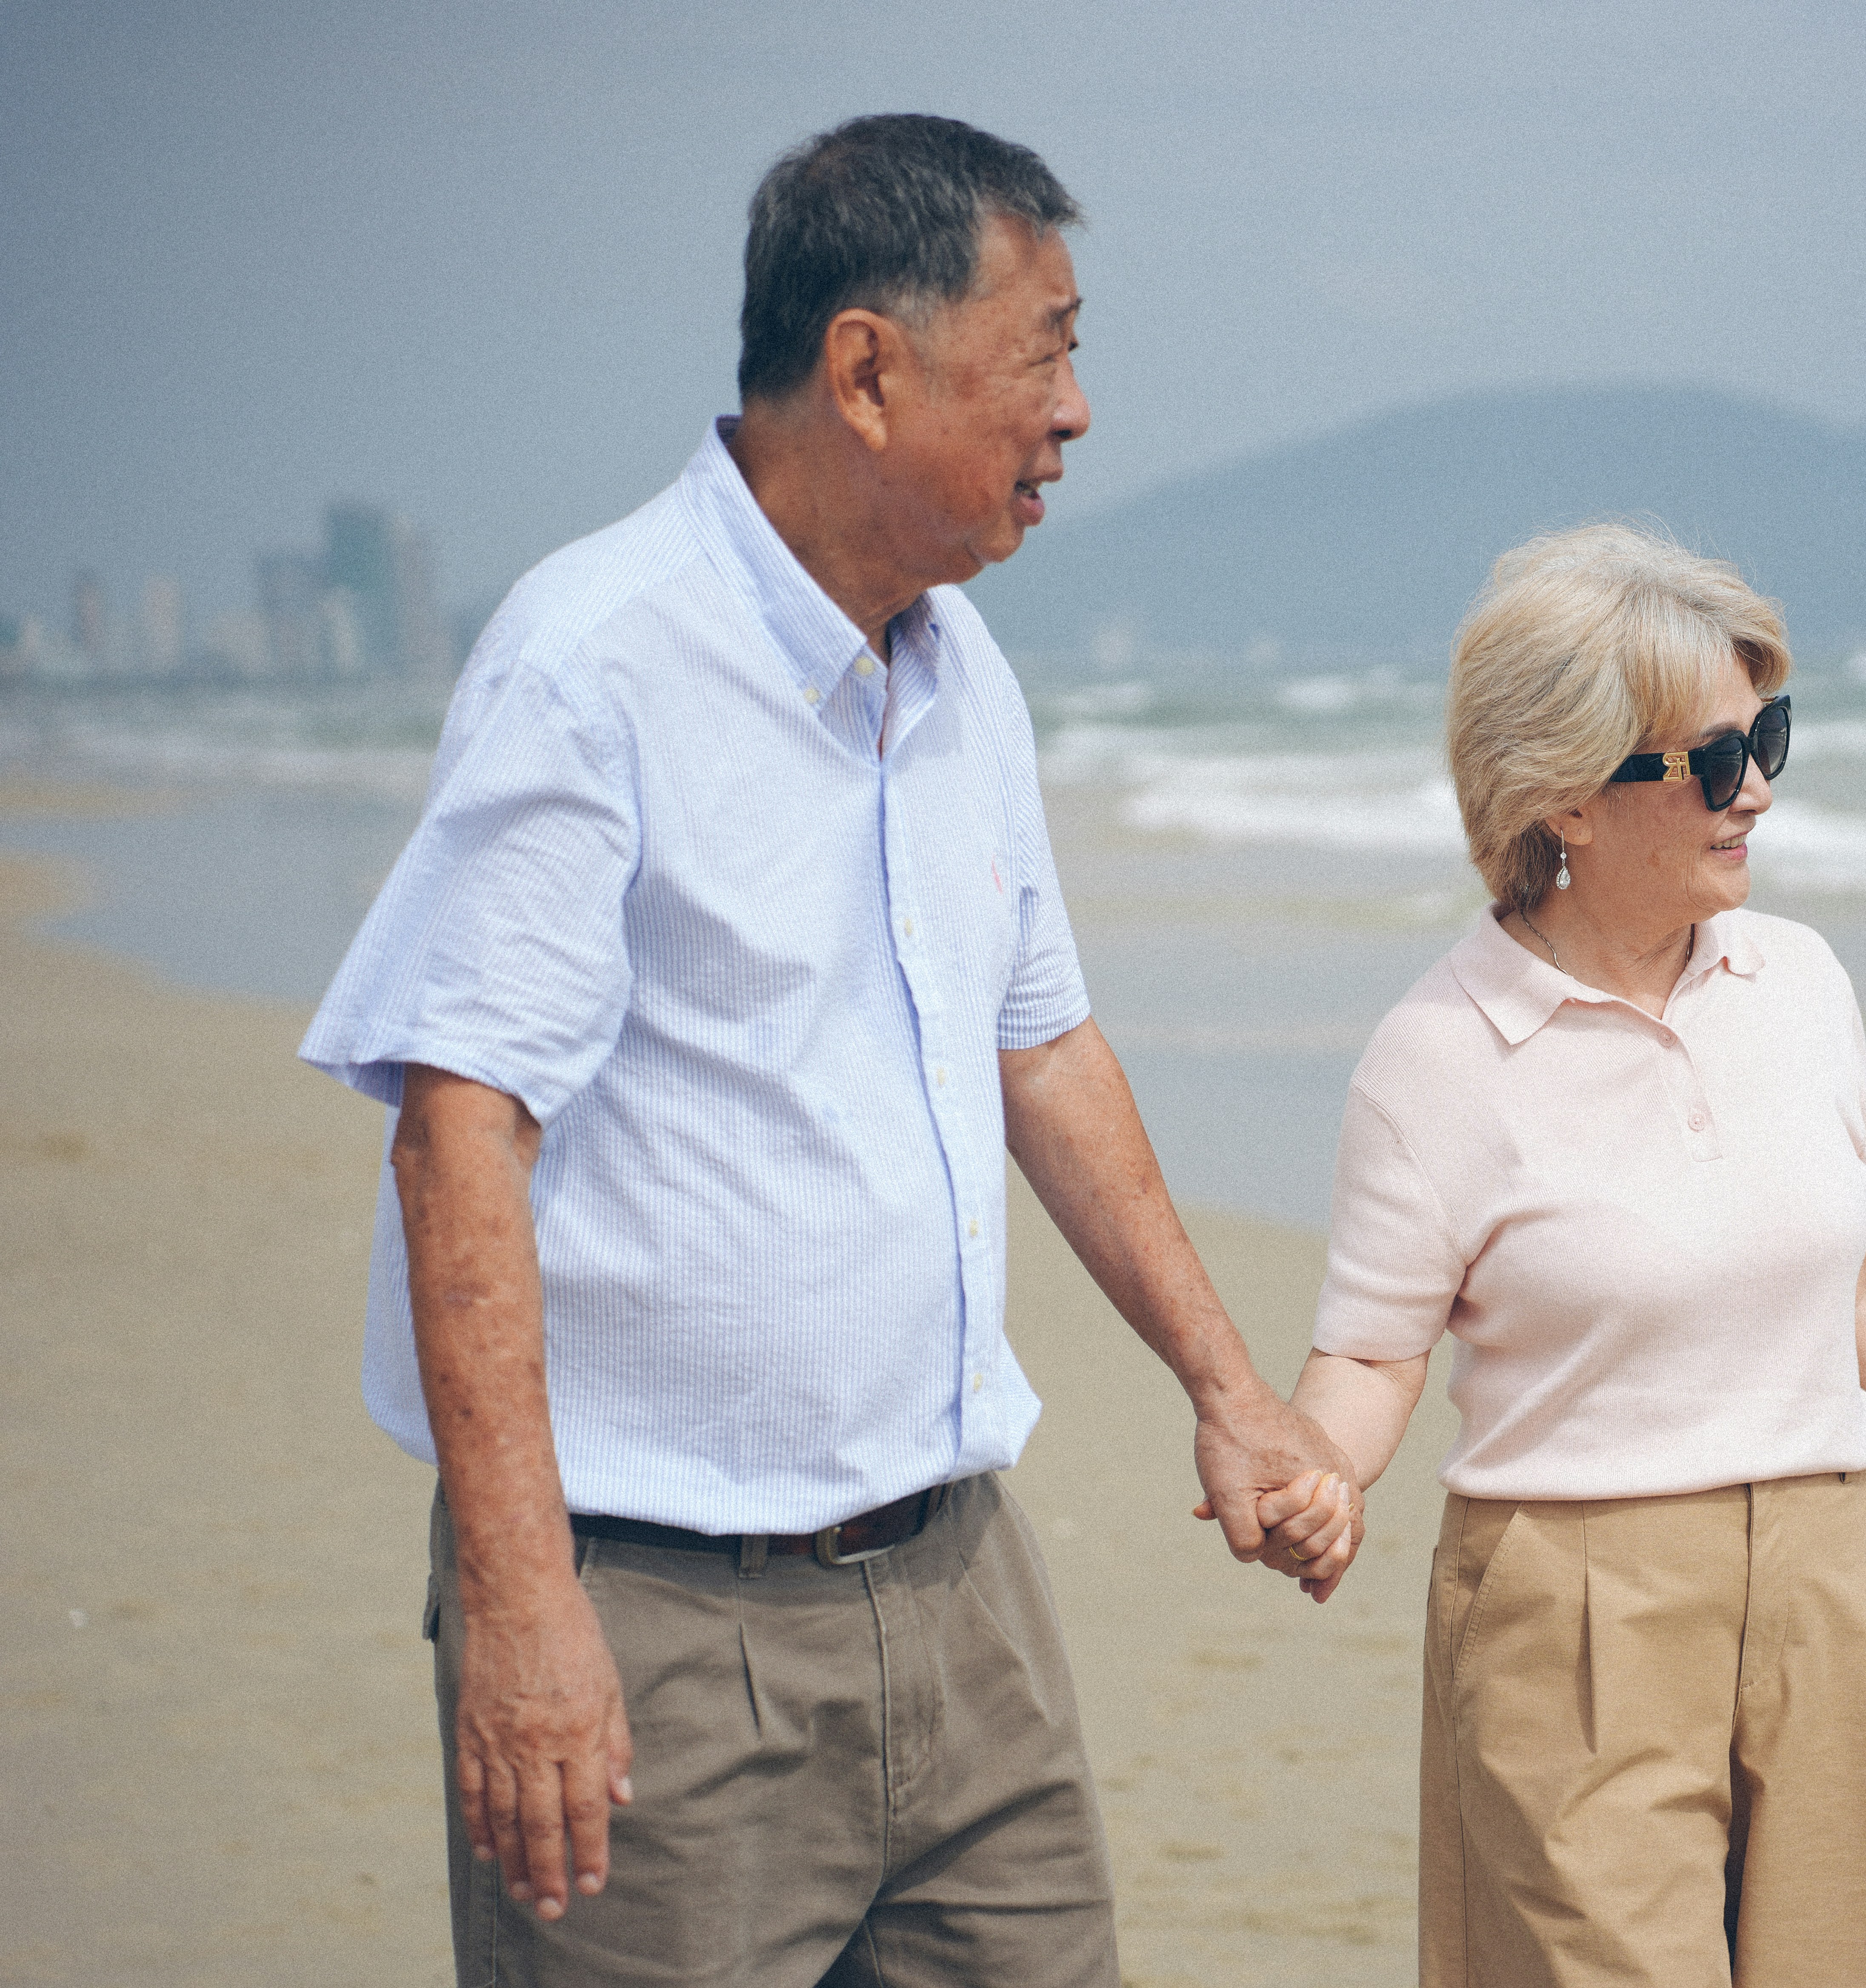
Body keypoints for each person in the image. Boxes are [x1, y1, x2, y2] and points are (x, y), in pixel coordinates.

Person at [297, 114, 1359, 1985]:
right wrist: (525, 1612)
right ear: (867, 367)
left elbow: (1044, 1050)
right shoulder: (595, 664)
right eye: (1046, 346)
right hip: (657, 1633)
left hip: (962, 1599)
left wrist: (1232, 1387)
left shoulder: (963, 673)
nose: (1081, 409)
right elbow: (460, 1134)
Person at [1247, 524, 1866, 1985]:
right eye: (1708, 761)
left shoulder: (1803, 984)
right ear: (1562, 796)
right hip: (1573, 1616)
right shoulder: (1433, 1059)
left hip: (1830, 1580)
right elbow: (1376, 1352)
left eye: (1766, 737)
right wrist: (1317, 1473)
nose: (1753, 789)